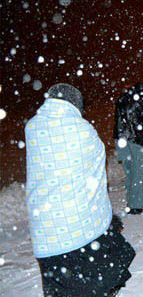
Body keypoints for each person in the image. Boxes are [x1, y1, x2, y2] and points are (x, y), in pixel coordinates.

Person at [25, 83, 135, 296]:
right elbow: (95, 160)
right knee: (90, 277)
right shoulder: (81, 129)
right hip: (77, 225)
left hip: (45, 227)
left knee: (61, 283)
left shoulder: (32, 127)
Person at [114, 83, 143, 214]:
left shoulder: (120, 101)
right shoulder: (137, 102)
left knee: (129, 173)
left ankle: (130, 202)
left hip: (121, 140)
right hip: (134, 140)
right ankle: (136, 206)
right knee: (137, 173)